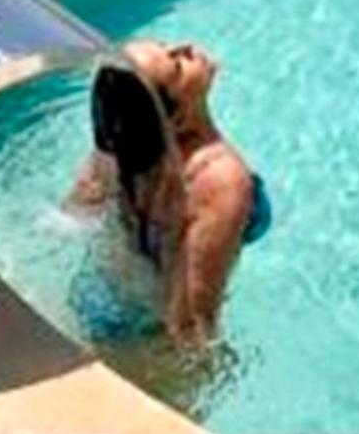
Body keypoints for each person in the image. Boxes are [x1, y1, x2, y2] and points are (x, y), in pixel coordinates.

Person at [66, 39, 266, 348]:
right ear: (176, 119)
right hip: (148, 335)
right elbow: (190, 324)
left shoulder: (120, 149)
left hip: (99, 294)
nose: (184, 48)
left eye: (165, 46)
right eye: (177, 67)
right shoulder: (219, 180)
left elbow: (72, 215)